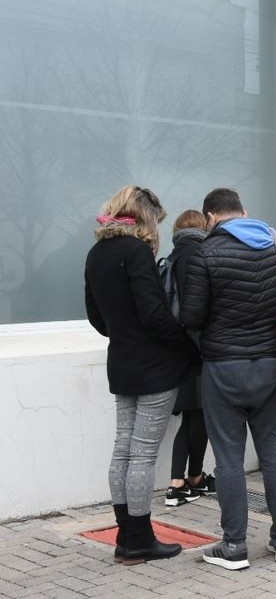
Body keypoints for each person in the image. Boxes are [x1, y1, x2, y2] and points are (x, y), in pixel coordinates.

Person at [182, 188, 276, 569]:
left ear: (210, 217)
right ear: (244, 212)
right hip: (270, 365)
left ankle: (234, 546)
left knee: (228, 460)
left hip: (223, 367)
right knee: (274, 455)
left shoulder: (206, 252)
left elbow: (191, 317)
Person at [85, 186, 195, 564]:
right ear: (144, 216)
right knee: (144, 455)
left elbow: (97, 318)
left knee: (123, 449)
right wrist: (183, 342)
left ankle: (125, 536)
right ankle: (139, 539)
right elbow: (154, 313)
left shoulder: (97, 253)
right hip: (153, 366)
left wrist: (125, 332)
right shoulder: (136, 252)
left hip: (122, 362)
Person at [163, 210, 216, 508]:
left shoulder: (173, 257)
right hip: (198, 349)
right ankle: (180, 482)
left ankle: (190, 478)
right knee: (200, 416)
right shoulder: (198, 256)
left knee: (194, 416)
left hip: (177, 350)